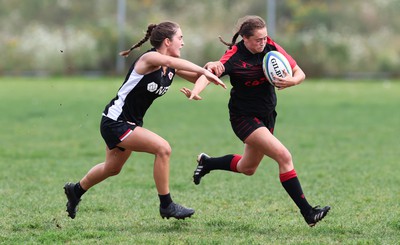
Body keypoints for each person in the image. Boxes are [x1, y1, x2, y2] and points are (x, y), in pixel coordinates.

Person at [63, 21, 226, 220]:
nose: (183, 43)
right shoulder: (150, 58)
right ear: (167, 41)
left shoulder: (171, 66)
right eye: (180, 38)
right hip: (115, 121)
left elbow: (197, 77)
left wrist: (209, 69)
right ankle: (167, 205)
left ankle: (76, 191)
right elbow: (178, 65)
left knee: (112, 168)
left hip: (128, 123)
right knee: (163, 148)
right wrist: (204, 71)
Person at [190, 15, 330, 227]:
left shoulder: (271, 47)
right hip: (243, 116)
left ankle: (207, 162)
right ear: (245, 38)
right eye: (258, 39)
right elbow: (209, 73)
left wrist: (292, 81)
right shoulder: (234, 56)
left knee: (248, 167)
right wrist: (196, 91)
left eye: (265, 38)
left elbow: (298, 71)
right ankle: (309, 213)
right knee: (284, 156)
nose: (263, 42)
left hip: (267, 114)